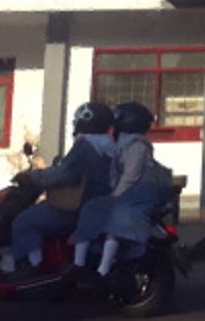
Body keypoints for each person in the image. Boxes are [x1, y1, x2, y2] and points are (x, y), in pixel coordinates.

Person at [6, 101, 116, 279]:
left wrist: (34, 176)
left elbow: (64, 175)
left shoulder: (86, 146)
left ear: (83, 122)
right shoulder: (108, 145)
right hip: (97, 205)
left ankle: (34, 270)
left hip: (77, 208)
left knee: (24, 221)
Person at [71, 102, 173, 285]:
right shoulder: (121, 142)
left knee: (116, 216)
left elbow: (131, 175)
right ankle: (78, 265)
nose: (114, 121)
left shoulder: (137, 145)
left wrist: (114, 195)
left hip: (141, 190)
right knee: (91, 208)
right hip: (127, 190)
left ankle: (103, 269)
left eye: (118, 118)